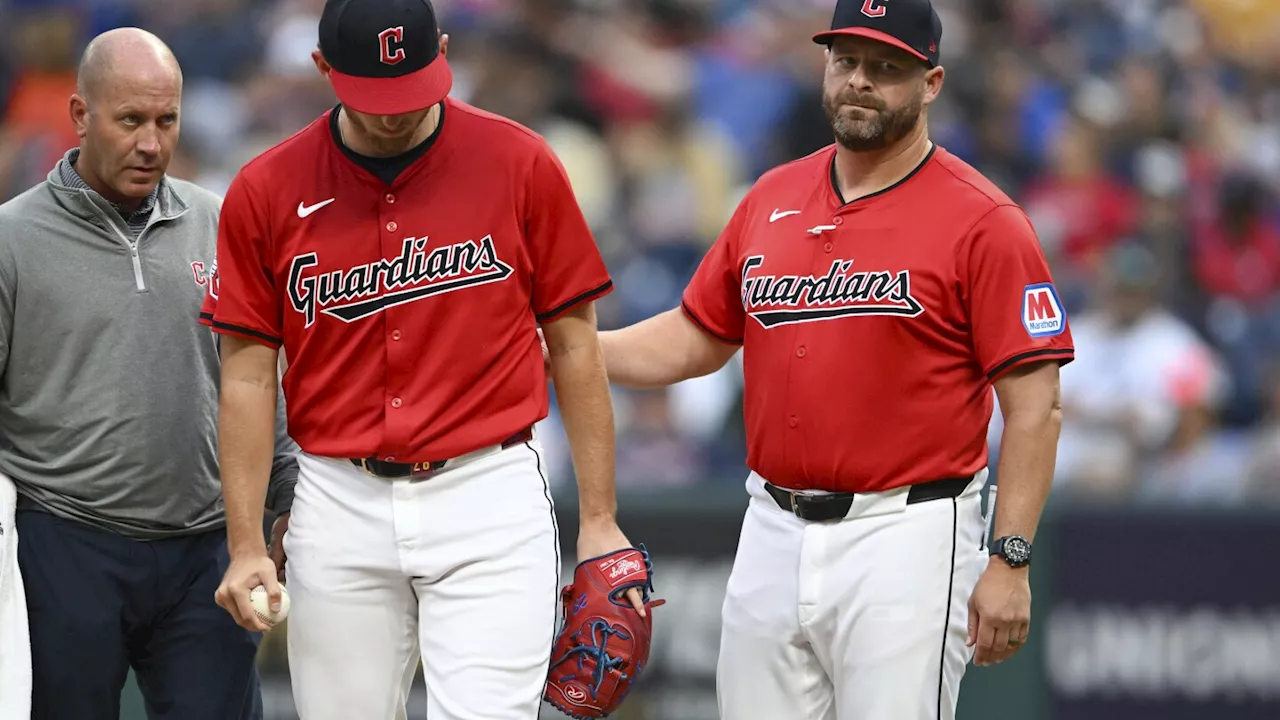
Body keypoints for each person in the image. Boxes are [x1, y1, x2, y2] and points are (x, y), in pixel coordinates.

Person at [593, 0, 1074, 718]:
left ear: (932, 82)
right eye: (846, 61)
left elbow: (1036, 407)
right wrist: (565, 350)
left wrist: (1009, 558)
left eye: (886, 68)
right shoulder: (773, 196)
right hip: (771, 525)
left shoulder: (984, 220)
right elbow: (697, 338)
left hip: (907, 530)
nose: (859, 81)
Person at [201, 1, 641, 718]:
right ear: (324, 70)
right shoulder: (267, 187)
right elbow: (248, 376)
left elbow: (572, 341)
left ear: (439, 50)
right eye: (375, 96)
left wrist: (599, 517)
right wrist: (247, 541)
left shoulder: (519, 161)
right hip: (337, 497)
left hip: (487, 489)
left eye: (412, 86)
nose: (396, 114)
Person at [0, 28, 300, 720]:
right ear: (80, 116)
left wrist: (285, 496)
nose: (151, 143)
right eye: (130, 120)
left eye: (166, 121)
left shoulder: (218, 223)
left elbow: (259, 380)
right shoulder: (13, 240)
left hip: (206, 547)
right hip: (65, 543)